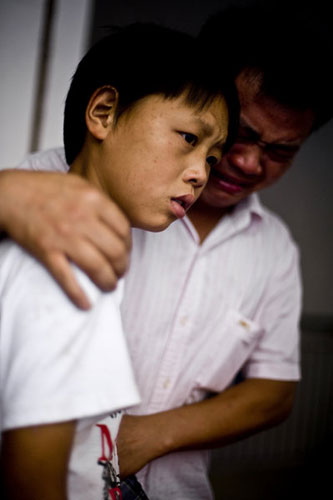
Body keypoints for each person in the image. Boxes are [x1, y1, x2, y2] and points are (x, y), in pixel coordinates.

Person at [0, 3, 332, 499]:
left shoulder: (275, 249)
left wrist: (143, 436)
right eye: (240, 134)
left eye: (281, 151)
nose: (242, 163)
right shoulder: (62, 215)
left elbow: (276, 392)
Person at [0, 21, 238, 500]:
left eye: (212, 158)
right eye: (190, 138)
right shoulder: (67, 269)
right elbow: (32, 483)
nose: (199, 174)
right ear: (104, 112)